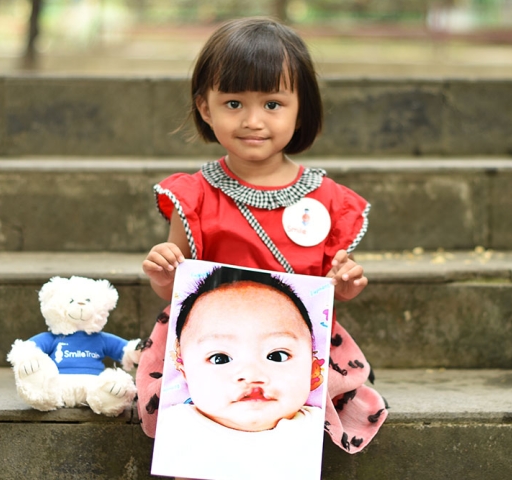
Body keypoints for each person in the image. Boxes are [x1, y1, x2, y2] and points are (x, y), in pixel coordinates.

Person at [137, 16, 388, 455]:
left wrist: (345, 285)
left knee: (284, 444)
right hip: (213, 347)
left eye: (272, 104)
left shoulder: (329, 201)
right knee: (204, 445)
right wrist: (162, 270)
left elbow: (330, 290)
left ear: (300, 108)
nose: (253, 120)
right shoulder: (193, 196)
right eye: (234, 103)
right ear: (204, 106)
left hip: (290, 348)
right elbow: (175, 287)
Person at [152, 266, 326, 480]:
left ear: (314, 369)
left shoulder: (313, 428)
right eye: (220, 358)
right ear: (184, 370)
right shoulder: (181, 426)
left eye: (277, 355)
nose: (252, 374)